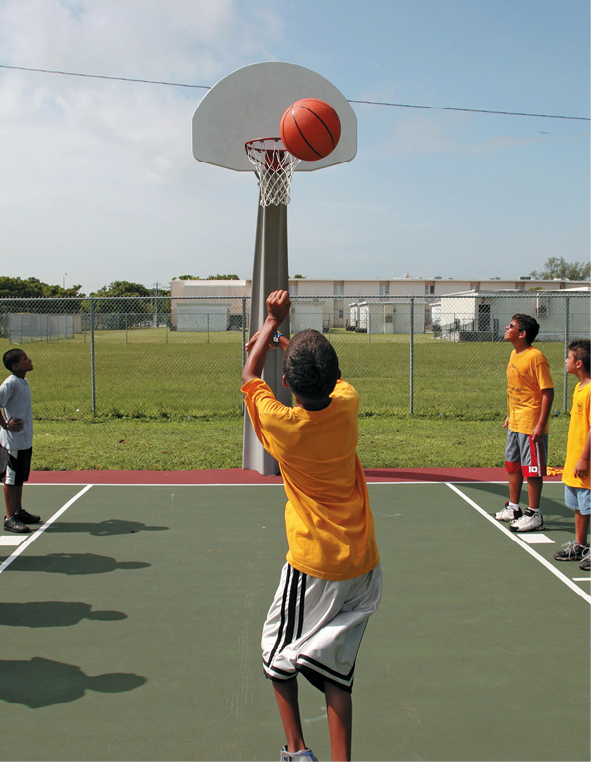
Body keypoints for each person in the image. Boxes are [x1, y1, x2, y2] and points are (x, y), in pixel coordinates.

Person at [241, 290, 381, 762]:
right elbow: (323, 377)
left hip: (316, 565)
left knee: (275, 657)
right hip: (363, 564)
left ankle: (298, 751)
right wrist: (280, 337)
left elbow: (248, 376)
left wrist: (268, 324)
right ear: (335, 377)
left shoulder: (282, 426)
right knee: (336, 672)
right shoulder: (347, 403)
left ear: (288, 383)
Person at [495, 314, 554, 532]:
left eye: (511, 326)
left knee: (532, 470)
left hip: (531, 423)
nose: (506, 327)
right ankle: (513, 507)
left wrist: (540, 424)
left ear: (522, 334)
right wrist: (510, 414)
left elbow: (547, 391)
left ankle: (534, 513)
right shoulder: (514, 353)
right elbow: (516, 389)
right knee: (513, 465)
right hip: (516, 421)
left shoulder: (535, 357)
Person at [553, 340, 591, 567]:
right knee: (579, 506)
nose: (565, 362)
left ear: (578, 363)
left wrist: (585, 458)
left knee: (589, 505)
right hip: (575, 459)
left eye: (568, 358)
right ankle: (580, 545)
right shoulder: (579, 388)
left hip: (585, 460)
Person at [0, 349, 41, 533]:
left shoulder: (23, 381)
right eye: (25, 358)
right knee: (11, 478)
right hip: (13, 442)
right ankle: (9, 517)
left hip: (24, 439)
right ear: (15, 366)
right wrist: (5, 425)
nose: (29, 359)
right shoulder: (10, 384)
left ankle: (17, 511)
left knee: (19, 478)